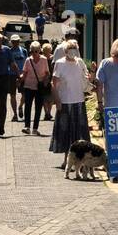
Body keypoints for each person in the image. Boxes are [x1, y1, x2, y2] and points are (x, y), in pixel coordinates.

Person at [49, 37, 90, 170]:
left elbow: (86, 80)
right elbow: (53, 84)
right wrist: (57, 101)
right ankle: (67, 160)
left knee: (79, 133)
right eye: (71, 49)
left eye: (75, 49)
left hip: (79, 102)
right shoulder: (60, 63)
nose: (73, 52)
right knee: (66, 133)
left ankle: (82, 162)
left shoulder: (80, 62)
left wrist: (92, 74)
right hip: (65, 102)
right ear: (66, 51)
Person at [20, 40, 50, 136]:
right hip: (28, 86)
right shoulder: (28, 60)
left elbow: (47, 73)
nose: (34, 53)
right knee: (27, 106)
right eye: (32, 51)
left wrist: (44, 82)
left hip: (39, 87)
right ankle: (27, 127)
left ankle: (35, 128)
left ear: (39, 51)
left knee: (38, 108)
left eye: (36, 51)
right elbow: (24, 73)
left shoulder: (44, 59)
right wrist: (20, 79)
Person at [8, 32, 28, 122]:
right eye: (13, 41)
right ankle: (15, 114)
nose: (15, 43)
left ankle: (20, 107)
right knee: (12, 95)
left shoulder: (23, 51)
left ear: (19, 41)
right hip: (11, 76)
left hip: (22, 75)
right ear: (11, 42)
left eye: (17, 41)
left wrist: (25, 74)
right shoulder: (8, 51)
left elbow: (27, 63)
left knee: (25, 95)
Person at [40, 42, 54, 122]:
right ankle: (48, 112)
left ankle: (47, 113)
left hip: (44, 78)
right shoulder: (52, 58)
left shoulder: (42, 58)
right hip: (50, 78)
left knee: (45, 97)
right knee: (50, 97)